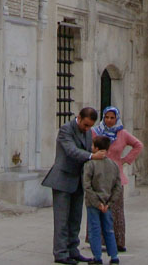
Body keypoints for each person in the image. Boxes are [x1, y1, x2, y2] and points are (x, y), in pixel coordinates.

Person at [43, 105, 107, 264]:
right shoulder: (66, 130)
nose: (87, 128)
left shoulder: (87, 133)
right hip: (63, 179)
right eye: (85, 124)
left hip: (78, 180)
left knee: (75, 219)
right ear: (78, 117)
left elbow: (87, 149)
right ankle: (60, 253)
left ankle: (73, 249)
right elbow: (72, 151)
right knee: (62, 220)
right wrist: (92, 156)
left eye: (90, 126)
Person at [92, 105, 144, 253]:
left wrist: (126, 160)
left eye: (112, 118)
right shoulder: (95, 132)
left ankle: (118, 241)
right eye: (107, 117)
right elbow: (88, 148)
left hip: (116, 176)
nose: (109, 120)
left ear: (117, 118)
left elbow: (138, 145)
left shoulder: (122, 133)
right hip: (99, 175)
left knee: (116, 209)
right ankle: (98, 241)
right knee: (98, 207)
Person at [83, 135, 121, 265]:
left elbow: (87, 185)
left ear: (97, 148)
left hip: (94, 203)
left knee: (94, 230)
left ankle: (97, 257)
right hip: (107, 203)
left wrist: (96, 202)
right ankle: (114, 256)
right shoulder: (113, 165)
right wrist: (109, 203)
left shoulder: (90, 164)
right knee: (108, 229)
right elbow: (117, 186)